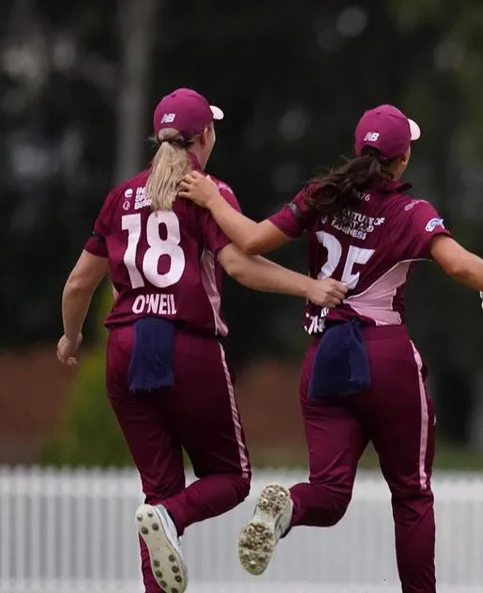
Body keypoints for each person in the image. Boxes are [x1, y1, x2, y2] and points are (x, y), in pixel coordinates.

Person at [177, 104, 483, 593]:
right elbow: (462, 267)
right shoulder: (411, 211)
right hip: (385, 357)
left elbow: (251, 241)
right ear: (402, 161)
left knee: (328, 491)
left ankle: (292, 506)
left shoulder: (321, 195)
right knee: (412, 496)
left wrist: (214, 200)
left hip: (325, 357)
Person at [56, 88, 350, 593]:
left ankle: (166, 520)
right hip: (187, 345)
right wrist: (309, 287)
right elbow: (238, 265)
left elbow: (80, 283)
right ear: (206, 137)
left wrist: (69, 336)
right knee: (231, 479)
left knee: (159, 495)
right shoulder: (208, 191)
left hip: (125, 347)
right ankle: (171, 516)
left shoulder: (120, 197)